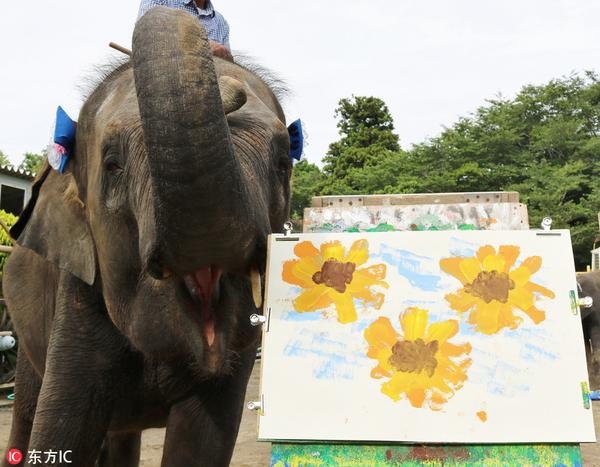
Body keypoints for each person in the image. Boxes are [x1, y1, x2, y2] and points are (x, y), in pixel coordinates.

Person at [138, 0, 233, 61]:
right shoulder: (160, 1)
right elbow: (147, 36)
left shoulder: (220, 21)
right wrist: (203, 46)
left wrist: (226, 56)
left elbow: (227, 62)